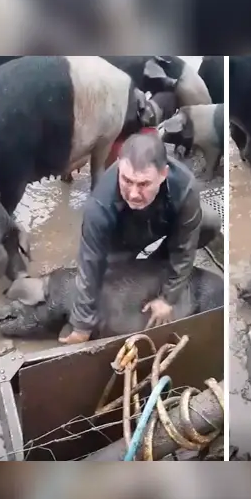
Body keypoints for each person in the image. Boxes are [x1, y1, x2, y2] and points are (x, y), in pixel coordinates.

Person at [59, 132, 220, 344]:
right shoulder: (99, 205)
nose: (133, 193)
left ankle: (158, 266)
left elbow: (185, 249)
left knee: (209, 221)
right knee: (112, 286)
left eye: (143, 184)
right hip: (121, 241)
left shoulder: (185, 186)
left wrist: (168, 298)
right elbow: (90, 264)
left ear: (163, 174)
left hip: (162, 227)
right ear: (118, 165)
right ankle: (133, 267)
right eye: (127, 180)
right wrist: (82, 326)